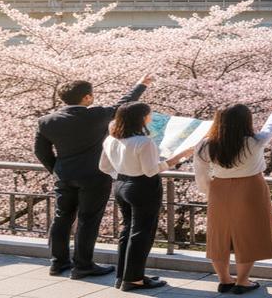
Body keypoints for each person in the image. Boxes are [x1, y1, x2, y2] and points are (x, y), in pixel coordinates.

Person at [34, 74, 155, 279]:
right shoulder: (97, 115)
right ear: (87, 97)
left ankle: (58, 263)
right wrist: (141, 85)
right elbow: (124, 104)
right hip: (94, 176)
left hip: (64, 175)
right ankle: (83, 265)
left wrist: (57, 169)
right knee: (88, 219)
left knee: (62, 217)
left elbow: (40, 151)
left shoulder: (46, 121)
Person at [193, 98, 272, 295]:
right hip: (251, 187)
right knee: (248, 234)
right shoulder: (255, 142)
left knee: (219, 236)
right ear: (246, 120)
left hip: (218, 189)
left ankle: (224, 280)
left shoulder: (205, 145)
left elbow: (200, 176)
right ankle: (242, 281)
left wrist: (211, 192)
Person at [99, 101, 192, 292]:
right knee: (142, 233)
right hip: (143, 186)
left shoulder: (111, 139)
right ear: (141, 118)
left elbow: (104, 167)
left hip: (120, 185)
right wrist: (175, 159)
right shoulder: (143, 142)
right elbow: (150, 171)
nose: (151, 117)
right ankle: (134, 279)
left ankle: (123, 276)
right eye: (149, 114)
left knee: (127, 230)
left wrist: (122, 174)